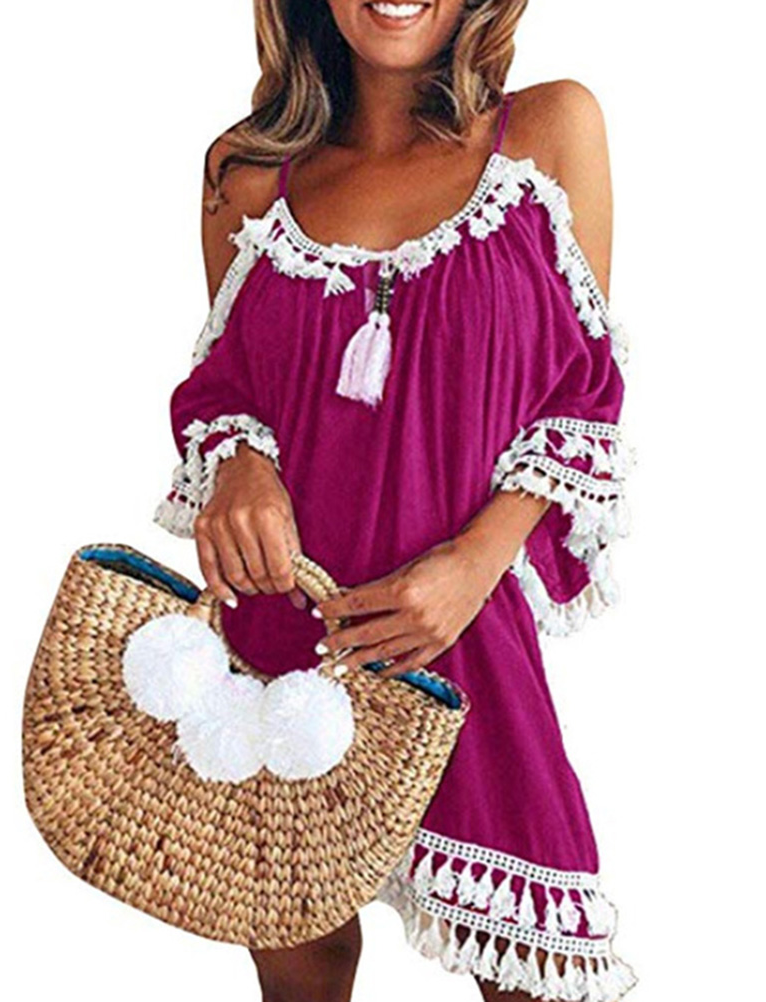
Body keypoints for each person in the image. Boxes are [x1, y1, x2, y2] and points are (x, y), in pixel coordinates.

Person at [153, 2, 636, 1000]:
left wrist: (475, 564)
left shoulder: (549, 132)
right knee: (304, 960)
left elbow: (584, 395)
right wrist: (240, 464)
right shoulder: (247, 174)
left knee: (542, 973)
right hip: (285, 639)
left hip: (463, 638)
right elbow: (227, 389)